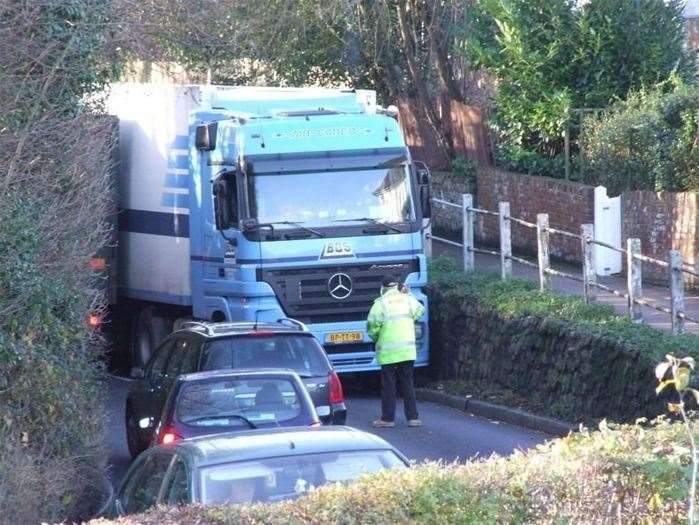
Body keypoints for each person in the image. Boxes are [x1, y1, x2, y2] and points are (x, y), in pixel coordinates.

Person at [366, 276, 425, 428]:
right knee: (408, 384)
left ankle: (387, 419)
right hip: (407, 351)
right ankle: (413, 418)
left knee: (389, 386)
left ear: (383, 288)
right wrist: (409, 294)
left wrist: (377, 337)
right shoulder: (407, 300)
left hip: (388, 353)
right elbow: (420, 311)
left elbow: (372, 327)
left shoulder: (380, 304)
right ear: (398, 286)